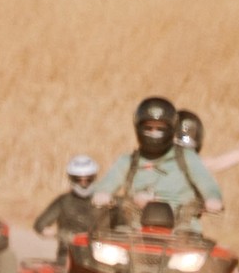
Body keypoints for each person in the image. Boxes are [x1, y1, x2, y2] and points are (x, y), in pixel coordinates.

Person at [94, 96, 226, 229]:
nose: (154, 133)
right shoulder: (127, 161)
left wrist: (213, 199)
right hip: (135, 232)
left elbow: (208, 185)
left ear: (172, 129)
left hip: (182, 232)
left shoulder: (187, 158)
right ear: (138, 128)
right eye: (148, 128)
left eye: (160, 129)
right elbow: (104, 187)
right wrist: (104, 196)